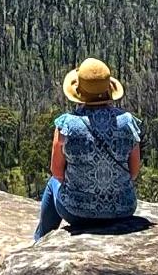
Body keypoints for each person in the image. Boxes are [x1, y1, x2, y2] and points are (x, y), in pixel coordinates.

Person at [33, 57, 142, 241]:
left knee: (53, 184)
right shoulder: (128, 122)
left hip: (77, 213)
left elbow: (57, 173)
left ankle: (39, 242)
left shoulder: (66, 125)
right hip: (123, 209)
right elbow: (133, 172)